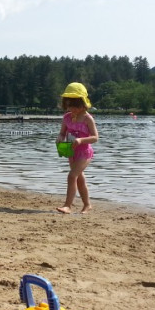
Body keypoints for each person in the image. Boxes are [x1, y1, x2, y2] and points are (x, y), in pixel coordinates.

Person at [56, 82, 99, 214]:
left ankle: (68, 205)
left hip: (84, 153)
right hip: (71, 152)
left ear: (83, 103)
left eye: (76, 106)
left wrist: (81, 140)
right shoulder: (67, 117)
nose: (73, 109)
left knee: (72, 176)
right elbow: (62, 132)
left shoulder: (87, 119)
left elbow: (95, 137)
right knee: (79, 178)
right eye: (70, 106)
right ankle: (87, 205)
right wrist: (59, 138)